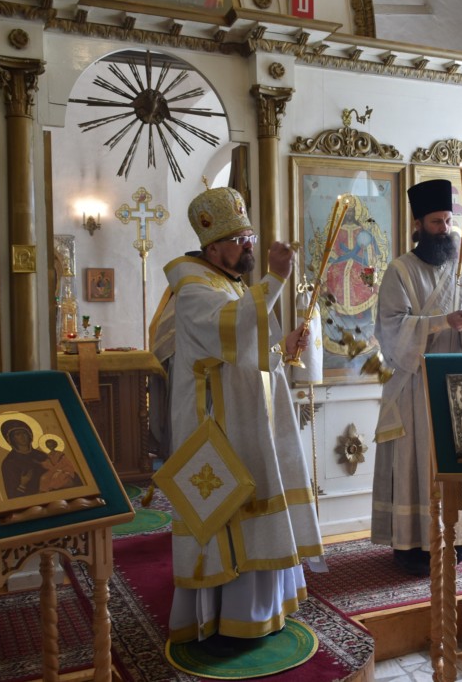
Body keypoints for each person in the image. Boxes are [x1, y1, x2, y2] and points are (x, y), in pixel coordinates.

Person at [162, 186, 325, 645]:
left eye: (249, 234)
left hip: (250, 421)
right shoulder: (193, 287)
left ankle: (263, 608)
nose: (248, 244)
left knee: (261, 499)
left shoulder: (228, 283)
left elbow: (249, 352)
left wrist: (281, 348)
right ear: (213, 246)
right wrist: (274, 280)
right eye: (239, 239)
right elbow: (230, 330)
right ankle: (225, 618)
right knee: (227, 511)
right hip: (216, 426)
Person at [371, 178, 462, 576]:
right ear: (418, 223)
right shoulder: (400, 271)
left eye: (448, 221)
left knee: (449, 466)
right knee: (416, 465)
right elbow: (391, 329)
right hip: (416, 383)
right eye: (437, 222)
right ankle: (412, 546)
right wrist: (443, 321)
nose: (445, 229)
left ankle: (453, 541)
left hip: (455, 385)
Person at [0, 419, 48, 498]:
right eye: (18, 434)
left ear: (29, 435)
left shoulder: (41, 455)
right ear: (11, 439)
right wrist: (22, 484)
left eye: (24, 433)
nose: (22, 436)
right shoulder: (10, 462)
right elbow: (12, 496)